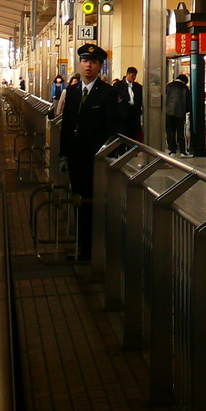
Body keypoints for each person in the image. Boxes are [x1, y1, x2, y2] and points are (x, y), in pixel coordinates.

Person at [59, 43, 121, 262]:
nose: (88, 65)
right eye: (85, 61)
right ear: (80, 63)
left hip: (95, 161)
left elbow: (111, 129)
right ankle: (82, 247)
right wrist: (63, 155)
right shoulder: (73, 92)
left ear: (100, 67)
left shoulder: (108, 93)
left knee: (93, 205)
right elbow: (66, 125)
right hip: (76, 160)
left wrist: (106, 157)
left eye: (93, 62)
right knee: (79, 202)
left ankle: (91, 251)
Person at [164, 72, 192, 156]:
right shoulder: (185, 88)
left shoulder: (168, 86)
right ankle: (183, 151)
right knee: (181, 132)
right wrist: (187, 111)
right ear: (184, 81)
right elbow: (188, 102)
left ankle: (172, 150)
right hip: (180, 113)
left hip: (168, 113)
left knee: (170, 132)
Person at [116, 66, 144, 140]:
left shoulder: (138, 87)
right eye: (132, 75)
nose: (134, 78)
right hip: (123, 115)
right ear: (127, 75)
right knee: (122, 137)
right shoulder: (118, 86)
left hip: (134, 115)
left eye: (135, 76)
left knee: (133, 136)